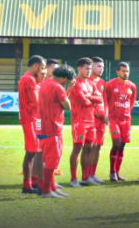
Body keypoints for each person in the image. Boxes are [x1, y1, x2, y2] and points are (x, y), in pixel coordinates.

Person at [37, 65, 76, 198]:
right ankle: (47, 191)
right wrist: (69, 90)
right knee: (52, 161)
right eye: (67, 81)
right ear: (64, 78)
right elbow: (67, 106)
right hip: (53, 127)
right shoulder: (58, 87)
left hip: (42, 127)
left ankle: (52, 187)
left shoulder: (46, 82)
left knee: (47, 159)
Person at [69, 57, 103, 187]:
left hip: (91, 121)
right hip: (79, 121)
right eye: (87, 68)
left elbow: (100, 99)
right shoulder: (75, 83)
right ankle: (73, 179)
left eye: (90, 68)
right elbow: (83, 102)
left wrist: (90, 97)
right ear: (79, 69)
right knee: (78, 148)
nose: (89, 71)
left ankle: (86, 177)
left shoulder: (91, 83)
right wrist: (91, 99)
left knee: (89, 148)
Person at [105, 62, 137, 182]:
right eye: (123, 71)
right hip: (114, 119)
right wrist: (107, 114)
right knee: (116, 143)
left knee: (122, 146)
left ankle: (117, 173)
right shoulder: (111, 85)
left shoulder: (132, 86)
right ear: (118, 72)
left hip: (126, 120)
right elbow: (105, 99)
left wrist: (126, 112)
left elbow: (132, 102)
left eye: (127, 71)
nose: (125, 73)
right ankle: (112, 172)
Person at [20, 55, 46, 194]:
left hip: (33, 119)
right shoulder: (29, 79)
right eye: (41, 68)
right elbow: (36, 103)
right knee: (32, 152)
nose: (42, 72)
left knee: (34, 152)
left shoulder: (30, 79)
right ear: (35, 65)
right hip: (30, 119)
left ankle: (33, 183)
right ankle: (27, 186)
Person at [87, 56, 108, 184]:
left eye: (103, 67)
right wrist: (96, 114)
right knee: (90, 147)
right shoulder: (87, 81)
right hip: (91, 120)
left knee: (98, 147)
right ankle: (87, 175)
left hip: (102, 121)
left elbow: (104, 101)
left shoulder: (102, 82)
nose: (101, 69)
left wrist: (106, 114)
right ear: (92, 66)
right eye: (98, 66)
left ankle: (93, 174)